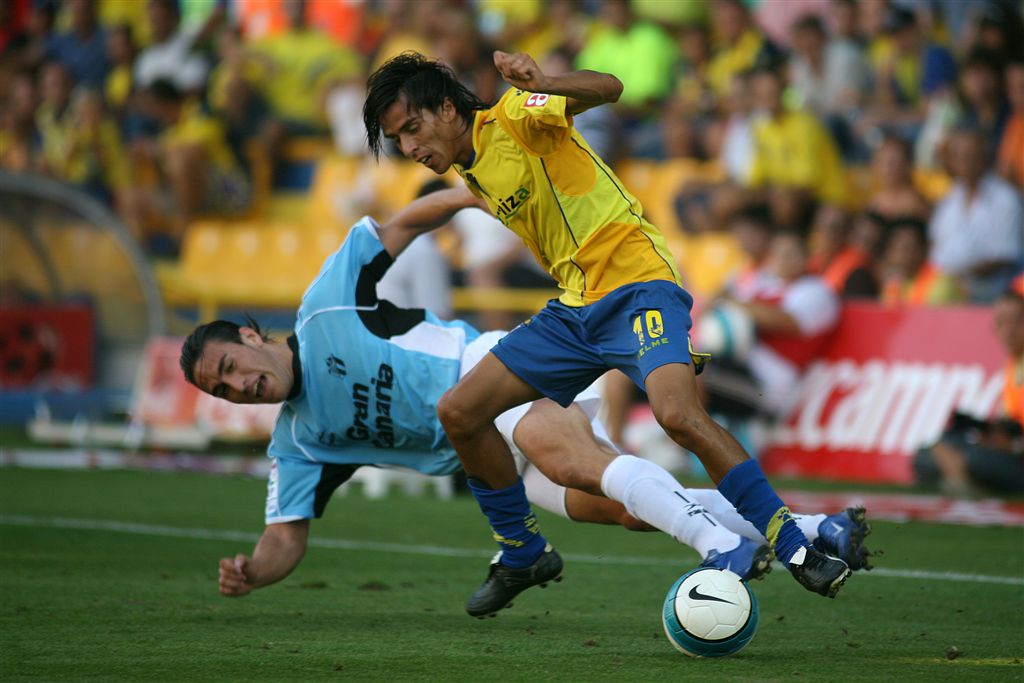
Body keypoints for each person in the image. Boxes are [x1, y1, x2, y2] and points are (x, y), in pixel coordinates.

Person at [177, 189, 872, 601]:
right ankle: (816, 529)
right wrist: (253, 572)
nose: (240, 386)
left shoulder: (324, 308)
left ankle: (719, 545)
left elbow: (400, 227)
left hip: (486, 372)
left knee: (570, 457)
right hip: (491, 465)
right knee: (626, 510)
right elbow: (284, 534)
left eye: (232, 366)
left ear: (249, 333)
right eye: (225, 390)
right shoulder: (299, 441)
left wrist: (468, 194)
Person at [362, 51, 854, 616]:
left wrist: (546, 84)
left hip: (639, 284)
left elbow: (610, 86)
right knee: (460, 412)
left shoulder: (518, 115)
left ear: (448, 108)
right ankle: (521, 550)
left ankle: (796, 548)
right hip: (576, 308)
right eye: (398, 139)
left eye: (412, 128)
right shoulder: (469, 165)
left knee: (678, 416)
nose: (408, 148)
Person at [914, 286, 1024, 495]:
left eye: (1017, 321)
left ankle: (962, 484)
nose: (1009, 330)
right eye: (1002, 323)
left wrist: (1014, 446)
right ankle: (963, 481)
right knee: (928, 451)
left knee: (970, 458)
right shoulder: (1012, 367)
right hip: (1009, 452)